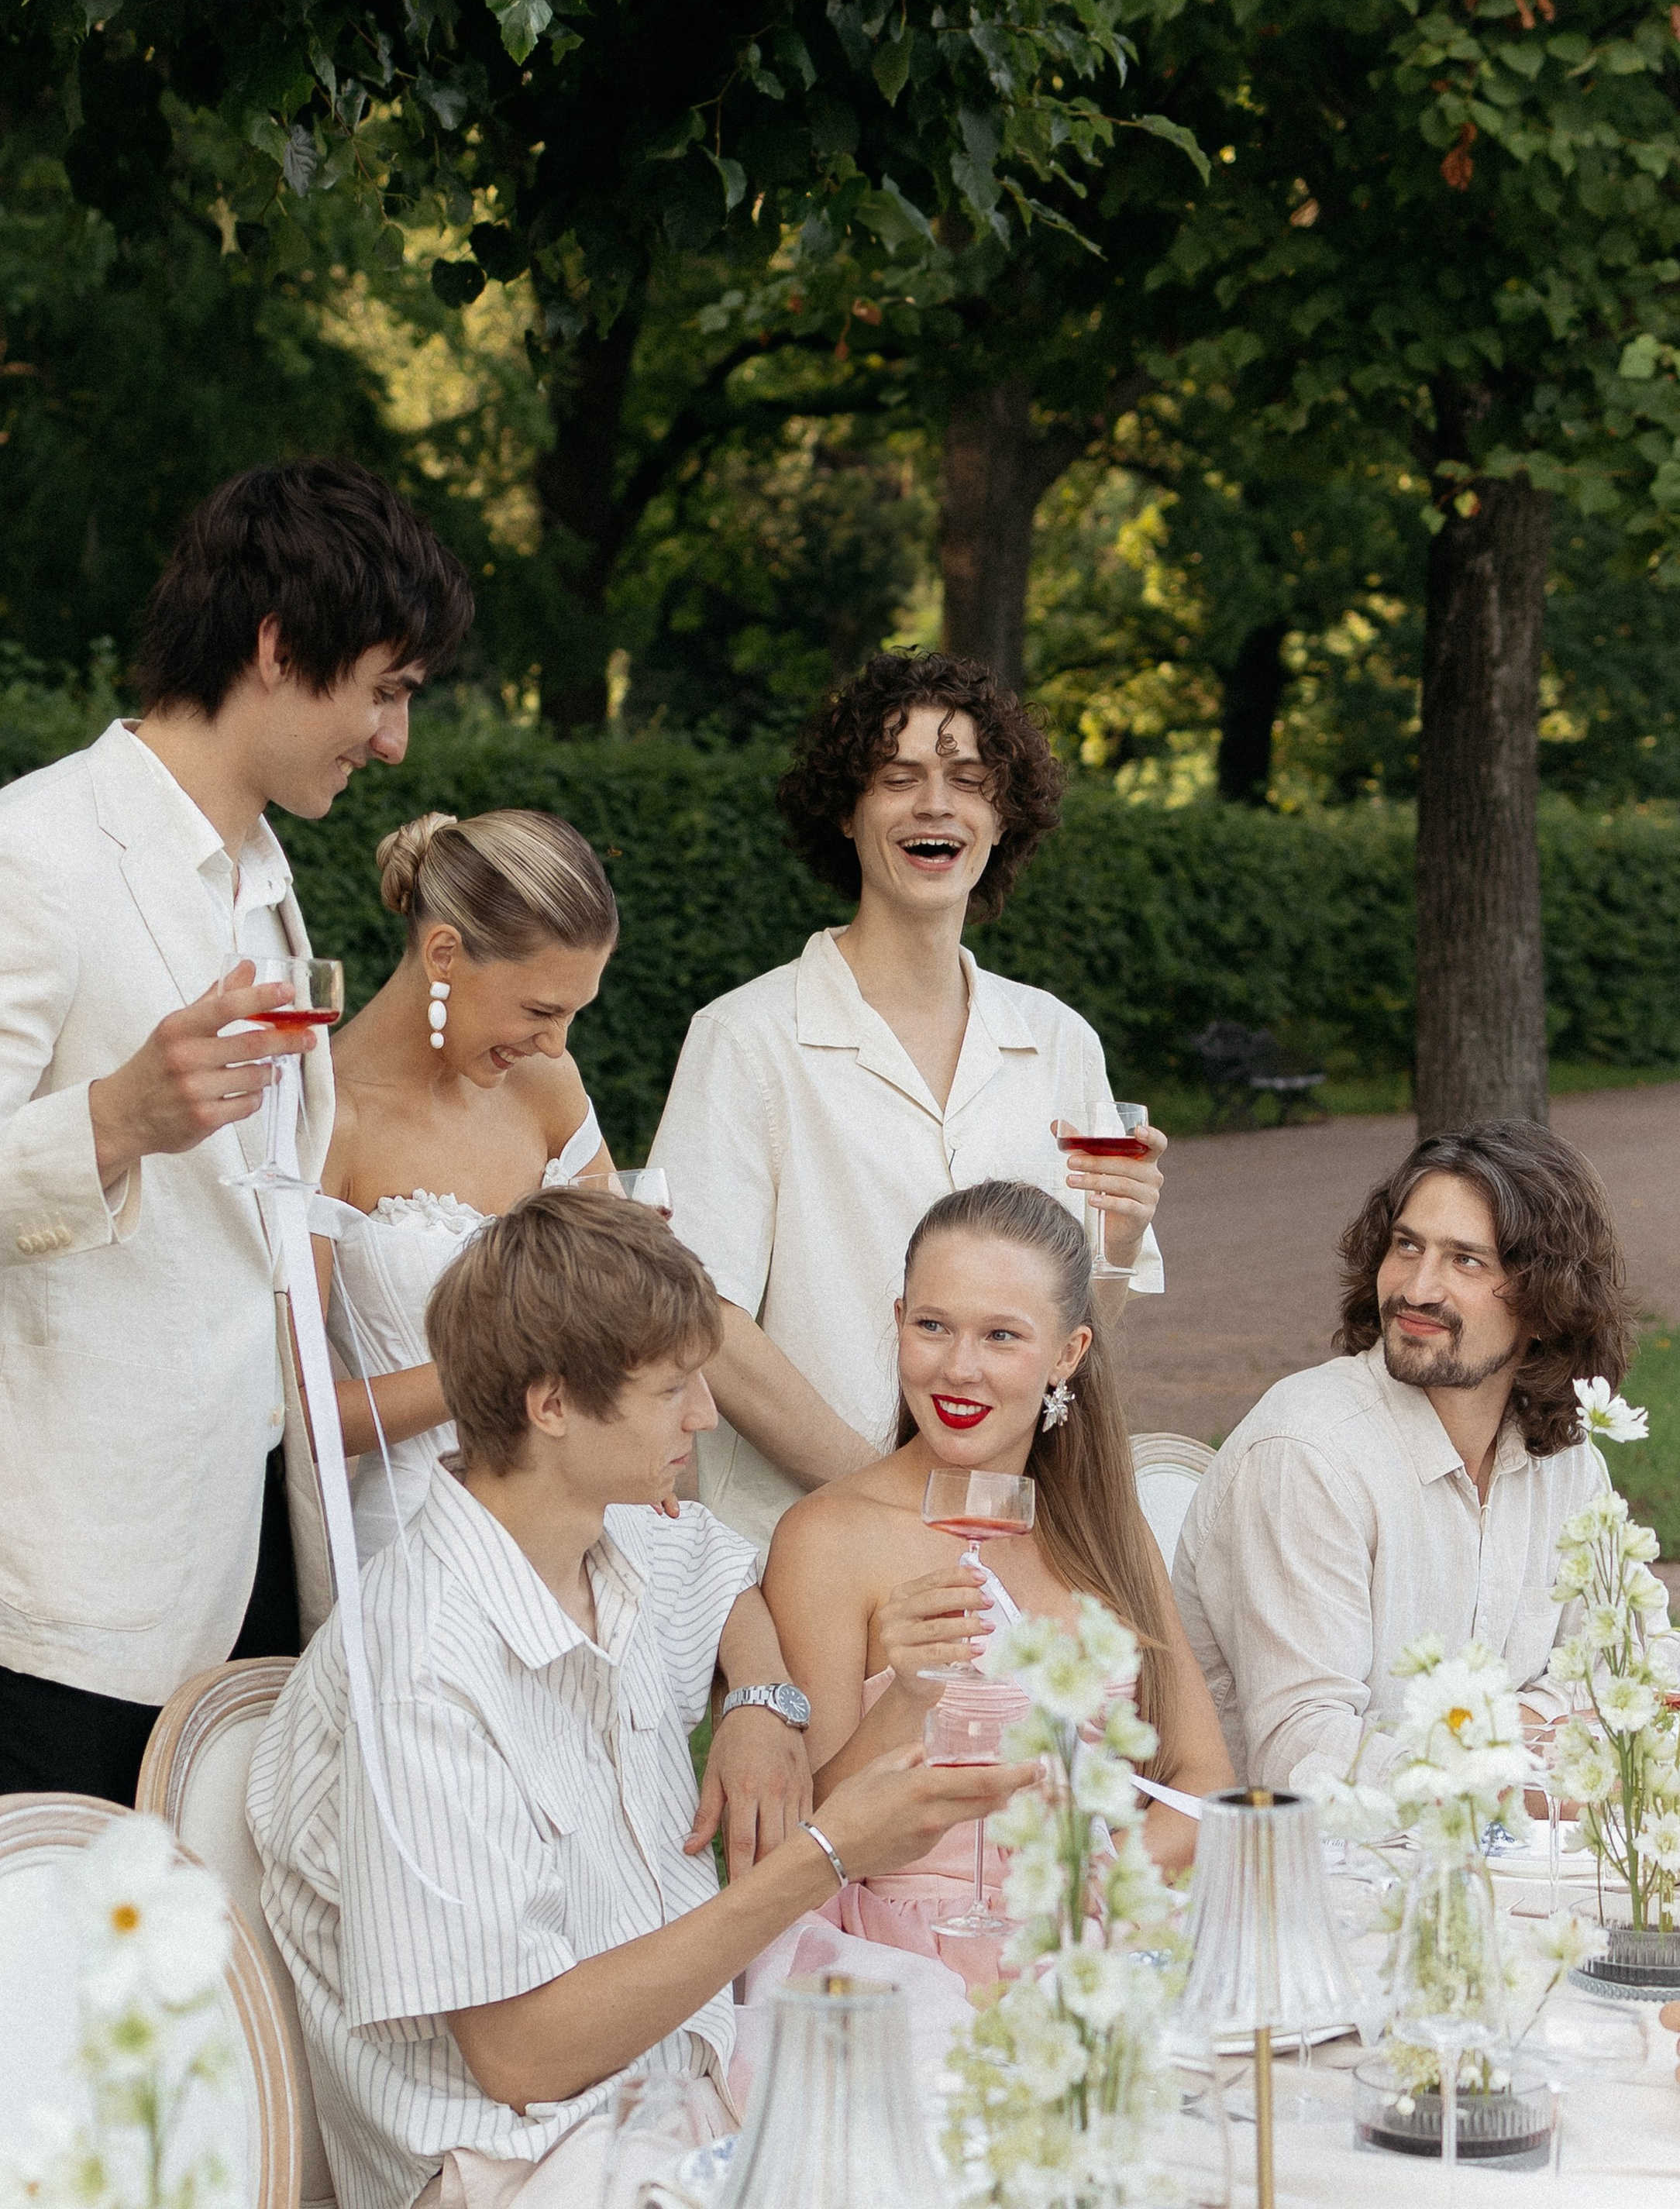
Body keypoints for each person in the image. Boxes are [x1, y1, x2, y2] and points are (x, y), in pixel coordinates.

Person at [0, 459, 472, 1815]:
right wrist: (110, 1122)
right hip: (61, 1604)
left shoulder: (263, 881)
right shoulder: (21, 864)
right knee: (62, 2019)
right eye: (386, 688)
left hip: (249, 1576)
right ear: (281, 645)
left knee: (216, 2018)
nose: (395, 741)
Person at [248, 1191, 1024, 2209]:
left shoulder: (609, 1531)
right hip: (511, 2202)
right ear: (552, 1401)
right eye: (673, 1389)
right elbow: (520, 2057)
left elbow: (723, 1578)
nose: (707, 1415)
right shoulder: (420, 1664)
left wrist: (762, 1698)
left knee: (1011, 2179)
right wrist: (826, 1856)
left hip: (675, 2118)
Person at [650, 649, 1166, 1549]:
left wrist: (1115, 1244)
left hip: (1010, 1545)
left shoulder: (1059, 1041)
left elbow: (1075, 1341)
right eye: (899, 779)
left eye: (968, 780)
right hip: (798, 1547)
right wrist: (883, 1501)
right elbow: (704, 1316)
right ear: (846, 815)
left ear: (1002, 819)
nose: (936, 804)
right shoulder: (745, 1037)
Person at [761, 1182, 1230, 1985]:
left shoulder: (1104, 1528)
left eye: (1002, 1336)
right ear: (899, 1320)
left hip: (1103, 1934)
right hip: (913, 1961)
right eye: (932, 1326)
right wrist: (908, 1698)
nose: (959, 1368)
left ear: (1067, 1353)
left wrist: (1088, 1910)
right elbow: (804, 1838)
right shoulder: (828, 1537)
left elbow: (1202, 1775)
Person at [1173, 1121, 1636, 1794]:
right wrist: (1522, 1764)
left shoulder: (1565, 1455)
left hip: (1489, 1861)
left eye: (1465, 1261)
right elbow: (1303, 1749)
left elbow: (1630, 1661)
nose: (1418, 1289)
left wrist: (1525, 1722)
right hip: (1310, 1875)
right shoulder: (1308, 1451)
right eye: (1407, 1246)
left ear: (1547, 1302)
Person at [312, 806, 618, 1555]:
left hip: (587, 1520)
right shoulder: (328, 1119)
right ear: (444, 952)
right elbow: (301, 1416)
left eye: (574, 1013)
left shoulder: (547, 1085)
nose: (555, 1040)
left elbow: (629, 1310)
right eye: (541, 1009)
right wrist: (494, 1367)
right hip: (416, 1542)